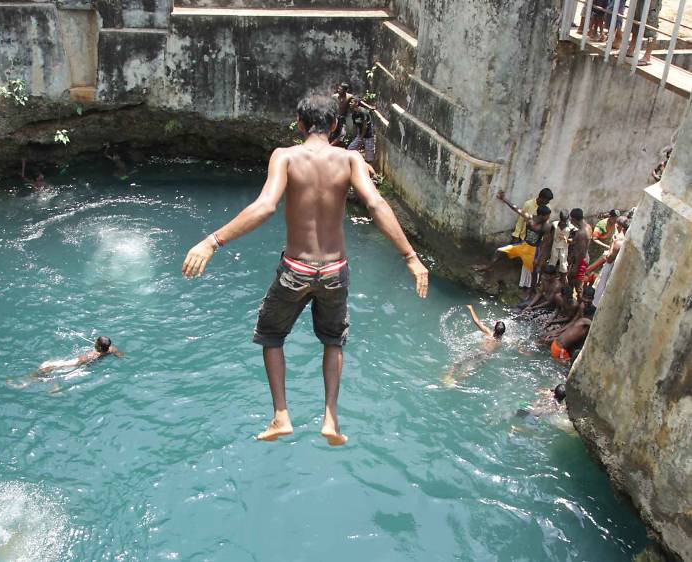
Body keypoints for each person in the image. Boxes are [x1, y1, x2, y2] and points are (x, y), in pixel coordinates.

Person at [182, 95, 428, 446]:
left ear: (299, 124)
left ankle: (281, 415)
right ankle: (331, 418)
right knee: (333, 341)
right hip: (334, 271)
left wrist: (212, 242)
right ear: (333, 127)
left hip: (295, 268)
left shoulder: (285, 156)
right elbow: (375, 203)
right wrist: (410, 257)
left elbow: (266, 206)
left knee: (271, 336)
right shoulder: (351, 159)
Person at [7, 336, 123, 390]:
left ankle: (25, 383)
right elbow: (120, 355)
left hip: (77, 364)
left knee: (46, 366)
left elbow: (76, 362)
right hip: (86, 367)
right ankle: (54, 387)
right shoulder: (111, 349)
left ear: (97, 346)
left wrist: (52, 366)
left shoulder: (89, 356)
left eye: (96, 342)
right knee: (51, 370)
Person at [493, 191, 552, 291]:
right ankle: (488, 267)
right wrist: (504, 199)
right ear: (541, 215)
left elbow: (546, 244)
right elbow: (516, 209)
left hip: (534, 250)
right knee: (499, 251)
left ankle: (532, 292)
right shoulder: (530, 218)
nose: (549, 217)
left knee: (534, 271)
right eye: (547, 216)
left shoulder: (546, 226)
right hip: (524, 245)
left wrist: (541, 258)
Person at [442, 304, 505, 387]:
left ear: (494, 328)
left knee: (458, 362)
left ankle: (448, 376)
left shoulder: (488, 332)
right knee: (468, 370)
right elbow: (515, 342)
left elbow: (476, 321)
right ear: (503, 332)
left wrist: (471, 308)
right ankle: (456, 382)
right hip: (484, 356)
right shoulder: (502, 342)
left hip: (476, 351)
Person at [590, 216, 629, 303]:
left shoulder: (618, 241)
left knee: (601, 287)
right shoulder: (628, 238)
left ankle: (595, 304)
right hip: (618, 270)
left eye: (617, 226)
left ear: (620, 227)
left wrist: (612, 244)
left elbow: (609, 258)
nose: (616, 227)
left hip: (610, 268)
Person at [626, 0, 662, 66]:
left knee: (651, 31)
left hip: (652, 4)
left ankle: (647, 56)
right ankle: (631, 48)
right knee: (636, 23)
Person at [566, 208, 592, 296]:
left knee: (576, 284)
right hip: (582, 260)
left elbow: (581, 252)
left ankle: (578, 305)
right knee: (574, 281)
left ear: (574, 219)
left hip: (580, 261)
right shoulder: (588, 227)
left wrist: (575, 268)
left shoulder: (581, 233)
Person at [547, 210, 574, 282]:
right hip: (555, 246)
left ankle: (562, 281)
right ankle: (550, 278)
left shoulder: (571, 227)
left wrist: (567, 239)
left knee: (563, 264)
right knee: (552, 261)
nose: (563, 223)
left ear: (567, 219)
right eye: (562, 220)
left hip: (564, 247)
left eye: (564, 221)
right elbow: (550, 235)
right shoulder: (554, 224)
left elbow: (573, 239)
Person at [347, 97, 375, 163]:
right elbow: (355, 126)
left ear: (356, 103)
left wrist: (360, 139)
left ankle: (369, 170)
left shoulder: (363, 112)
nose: (350, 103)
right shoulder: (354, 114)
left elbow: (365, 126)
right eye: (350, 102)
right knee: (349, 149)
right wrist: (354, 138)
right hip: (360, 135)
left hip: (368, 136)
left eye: (352, 102)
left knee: (369, 158)